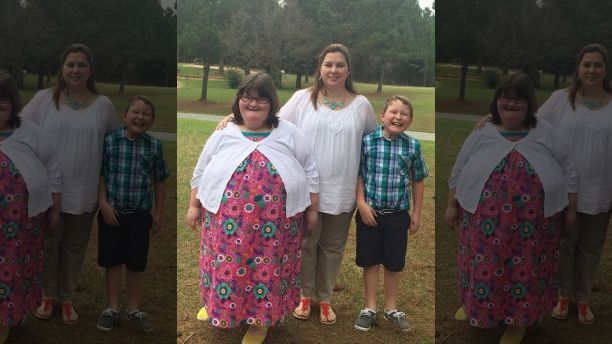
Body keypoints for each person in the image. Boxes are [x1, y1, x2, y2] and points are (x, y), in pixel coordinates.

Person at [216, 44, 378, 324]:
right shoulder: (304, 99)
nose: (334, 70)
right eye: (328, 64)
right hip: (304, 190)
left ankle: (324, 298)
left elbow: (375, 142)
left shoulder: (362, 105)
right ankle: (305, 295)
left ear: (348, 70)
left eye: (340, 65)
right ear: (320, 68)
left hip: (343, 191)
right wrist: (234, 117)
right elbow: (269, 117)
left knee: (332, 247)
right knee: (305, 244)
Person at [187, 73, 319, 344]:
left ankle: (260, 322)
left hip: (276, 226)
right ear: (238, 101)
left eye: (261, 99)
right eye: (247, 97)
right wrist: (193, 205)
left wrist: (313, 210)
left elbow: (311, 170)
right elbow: (202, 168)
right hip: (226, 223)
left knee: (265, 270)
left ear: (272, 103)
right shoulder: (225, 131)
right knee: (225, 264)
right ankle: (217, 306)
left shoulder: (288, 132)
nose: (254, 104)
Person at [445, 73, 577, 344]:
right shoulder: (484, 131)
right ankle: (476, 306)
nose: (512, 104)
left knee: (524, 271)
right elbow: (460, 168)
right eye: (505, 98)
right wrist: (451, 204)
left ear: (529, 103)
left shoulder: (546, 132)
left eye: (519, 99)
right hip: (484, 222)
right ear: (497, 101)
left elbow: (569, 171)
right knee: (483, 264)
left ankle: (518, 321)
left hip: (533, 226)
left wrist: (571, 210)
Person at [20, 43, 120, 324]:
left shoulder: (103, 106)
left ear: (90, 70)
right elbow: (17, 130)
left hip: (85, 192)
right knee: (49, 245)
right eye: (70, 64)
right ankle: (46, 296)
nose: (76, 70)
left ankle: (67, 299)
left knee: (74, 248)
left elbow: (115, 145)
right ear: (62, 69)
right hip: (47, 191)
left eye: (82, 65)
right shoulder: (43, 100)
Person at [536, 44, 612, 325]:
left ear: (606, 70)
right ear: (578, 69)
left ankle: (583, 299)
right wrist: (492, 120)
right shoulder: (560, 100)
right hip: (564, 189)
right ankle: (563, 295)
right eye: (587, 64)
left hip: (602, 189)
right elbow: (531, 124)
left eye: (598, 65)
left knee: (591, 247)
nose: (592, 70)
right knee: (565, 244)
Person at [353, 96, 427, 333]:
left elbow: (418, 179)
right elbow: (359, 174)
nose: (398, 117)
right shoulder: (367, 142)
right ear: (382, 116)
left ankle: (391, 307)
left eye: (404, 113)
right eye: (393, 112)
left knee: (394, 263)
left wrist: (416, 212)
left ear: (410, 119)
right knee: (371, 261)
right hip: (370, 213)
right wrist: (361, 203)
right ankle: (370, 307)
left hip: (397, 215)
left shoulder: (412, 146)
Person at [95, 95, 170, 332]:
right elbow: (100, 175)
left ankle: (133, 308)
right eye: (135, 112)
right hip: (112, 213)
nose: (140, 117)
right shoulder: (109, 142)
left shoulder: (154, 146)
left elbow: (160, 180)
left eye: (146, 114)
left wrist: (158, 212)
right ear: (124, 116)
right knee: (113, 261)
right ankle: (112, 308)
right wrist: (103, 204)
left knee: (136, 263)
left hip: (139, 215)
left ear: (152, 120)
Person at [0, 72, 61, 342]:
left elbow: (52, 168)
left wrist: (55, 209)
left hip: (20, 222)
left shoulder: (28, 131)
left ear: (12, 101)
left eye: (2, 99)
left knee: (13, 269)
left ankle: (8, 318)